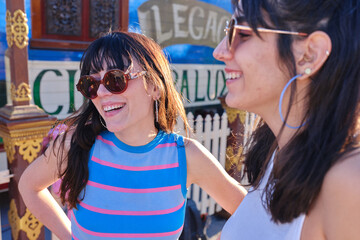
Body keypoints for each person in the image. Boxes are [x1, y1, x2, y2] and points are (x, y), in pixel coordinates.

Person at [19, 31, 246, 240]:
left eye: (115, 79)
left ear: (155, 87)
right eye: (91, 84)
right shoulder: (76, 145)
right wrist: (70, 236)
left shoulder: (186, 156)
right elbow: (29, 187)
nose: (101, 93)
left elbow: (252, 213)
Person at [213, 0, 360, 239]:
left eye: (242, 33)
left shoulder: (350, 180)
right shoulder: (276, 151)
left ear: (309, 55)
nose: (219, 51)